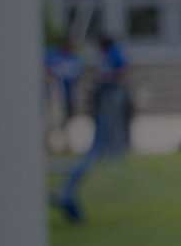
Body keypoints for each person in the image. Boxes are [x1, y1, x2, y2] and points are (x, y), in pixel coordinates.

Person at [54, 33, 129, 224]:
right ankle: (67, 189)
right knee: (97, 147)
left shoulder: (114, 54)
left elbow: (120, 72)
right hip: (103, 102)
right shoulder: (108, 56)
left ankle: (68, 188)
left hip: (108, 99)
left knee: (101, 144)